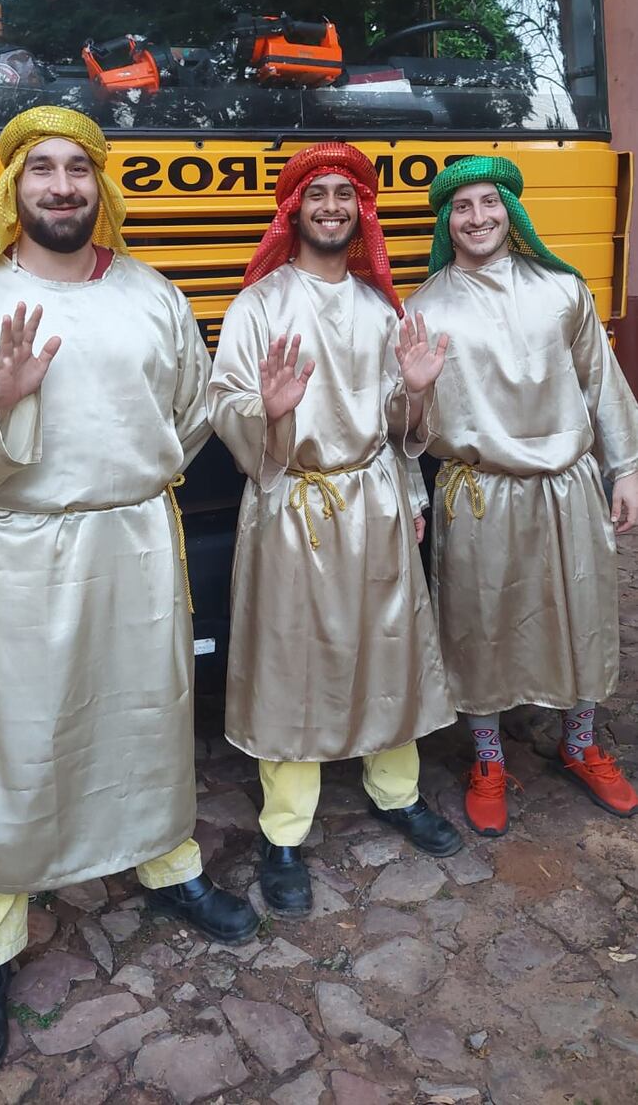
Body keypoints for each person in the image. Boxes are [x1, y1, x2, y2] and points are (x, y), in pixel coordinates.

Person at [0, 106, 257, 1079]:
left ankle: (167, 864)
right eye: (41, 168)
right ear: (15, 186)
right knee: (10, 743)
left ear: (99, 186)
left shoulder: (151, 293)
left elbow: (192, 408)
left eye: (77, 169)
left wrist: (125, 474)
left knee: (147, 717)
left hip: (136, 541)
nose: (60, 185)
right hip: (22, 551)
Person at [207, 142, 461, 917]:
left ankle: (397, 789)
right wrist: (266, 410)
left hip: (373, 498)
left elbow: (397, 425)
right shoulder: (258, 305)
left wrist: (415, 394)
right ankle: (284, 830)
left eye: (343, 195)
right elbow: (223, 402)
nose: (330, 207)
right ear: (294, 209)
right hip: (291, 500)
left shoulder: (381, 309)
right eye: (316, 193)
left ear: (360, 211)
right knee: (291, 658)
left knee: (390, 640)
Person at [406, 154, 638, 838]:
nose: (477, 217)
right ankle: (487, 758)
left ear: (511, 211)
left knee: (582, 612)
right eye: (462, 207)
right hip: (478, 491)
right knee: (480, 624)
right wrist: (413, 411)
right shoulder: (424, 307)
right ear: (447, 221)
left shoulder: (563, 289)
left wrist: (626, 467)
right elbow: (403, 421)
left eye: (489, 202)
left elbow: (602, 381)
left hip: (568, 484)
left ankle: (580, 743)